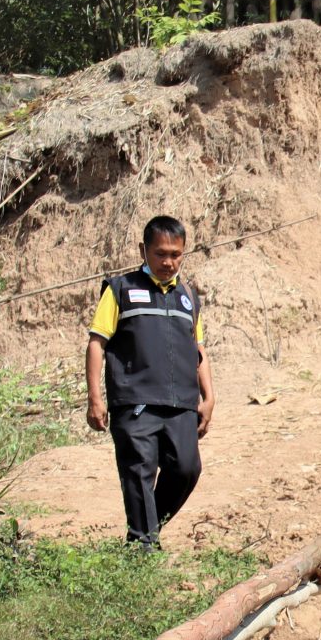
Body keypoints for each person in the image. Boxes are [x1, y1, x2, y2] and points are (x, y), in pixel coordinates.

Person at [86, 216, 216, 547]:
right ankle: (143, 547)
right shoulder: (121, 290)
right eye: (160, 254)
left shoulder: (188, 297)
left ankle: (143, 535)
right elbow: (97, 343)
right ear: (144, 250)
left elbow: (198, 349)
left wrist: (209, 397)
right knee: (139, 474)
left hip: (181, 404)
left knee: (187, 470)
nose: (168, 262)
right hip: (135, 402)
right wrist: (95, 399)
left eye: (176, 254)